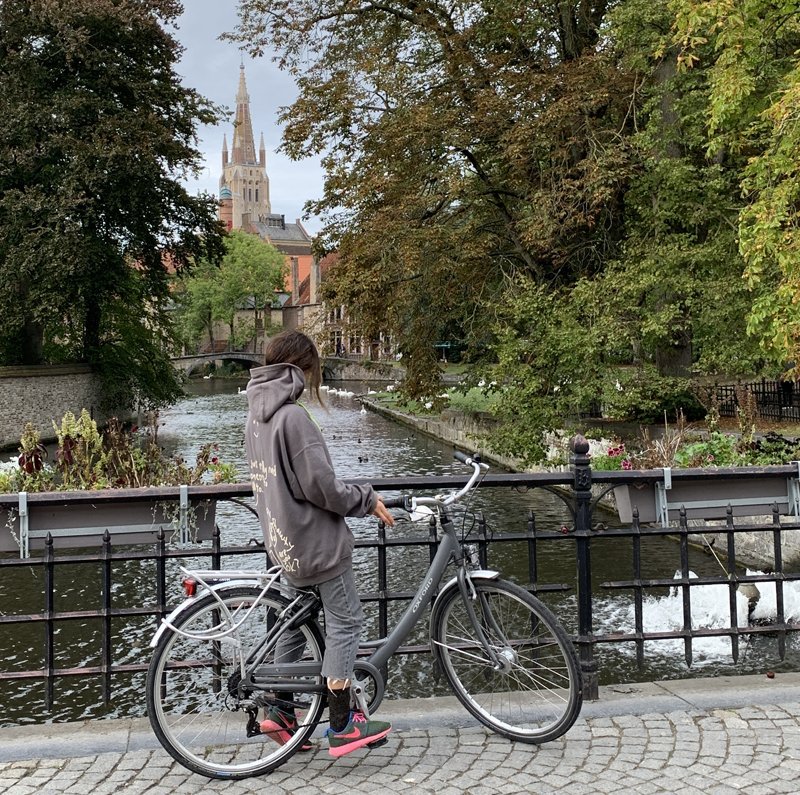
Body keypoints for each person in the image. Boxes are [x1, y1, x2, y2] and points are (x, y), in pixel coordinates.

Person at [244, 329, 395, 758]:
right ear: (300, 368)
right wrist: (367, 498)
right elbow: (321, 486)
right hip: (317, 545)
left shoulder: (256, 415)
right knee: (345, 623)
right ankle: (344, 721)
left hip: (285, 543)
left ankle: (281, 710)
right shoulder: (292, 417)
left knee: (292, 626)